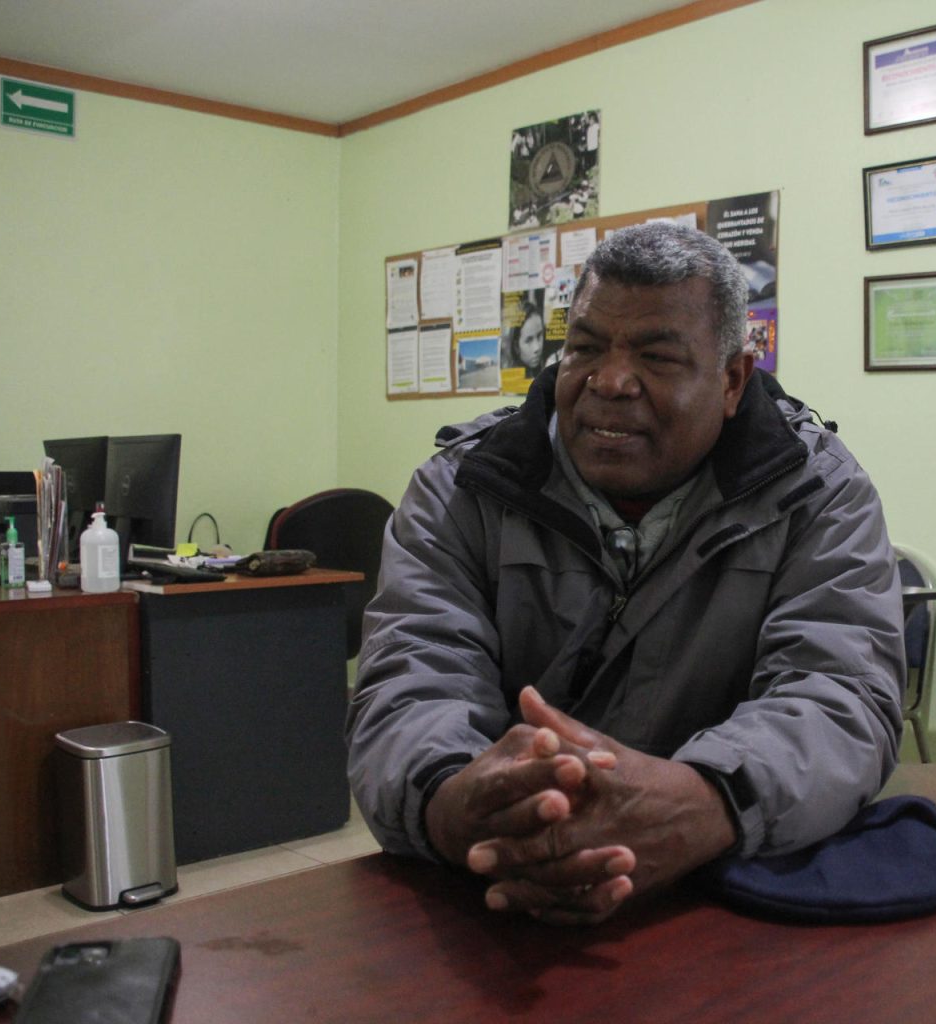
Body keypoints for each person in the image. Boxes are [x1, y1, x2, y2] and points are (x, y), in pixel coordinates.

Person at [347, 222, 905, 926]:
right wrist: (457, 798)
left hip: (712, 904)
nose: (608, 382)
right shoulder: (461, 489)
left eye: (658, 356)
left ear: (733, 379)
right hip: (488, 897)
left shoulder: (816, 492)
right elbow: (408, 681)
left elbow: (841, 695)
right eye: (584, 348)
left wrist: (705, 800)